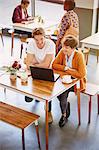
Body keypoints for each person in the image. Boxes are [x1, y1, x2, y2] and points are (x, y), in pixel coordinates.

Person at [52, 36, 86, 127]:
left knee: (62, 94)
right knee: (55, 91)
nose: (63, 49)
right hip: (63, 79)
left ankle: (64, 115)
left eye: (66, 47)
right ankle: (66, 105)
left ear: (73, 48)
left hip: (76, 82)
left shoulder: (79, 55)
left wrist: (66, 71)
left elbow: (81, 74)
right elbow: (54, 65)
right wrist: (66, 68)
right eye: (63, 46)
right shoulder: (62, 52)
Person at [25, 27, 55, 123]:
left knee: (47, 93)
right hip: (35, 70)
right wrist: (31, 64)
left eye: (41, 39)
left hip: (48, 71)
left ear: (44, 37)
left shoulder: (50, 44)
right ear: (33, 38)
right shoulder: (31, 43)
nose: (39, 42)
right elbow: (28, 63)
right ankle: (35, 96)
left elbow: (46, 65)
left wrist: (33, 63)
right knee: (28, 98)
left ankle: (48, 112)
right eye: (36, 40)